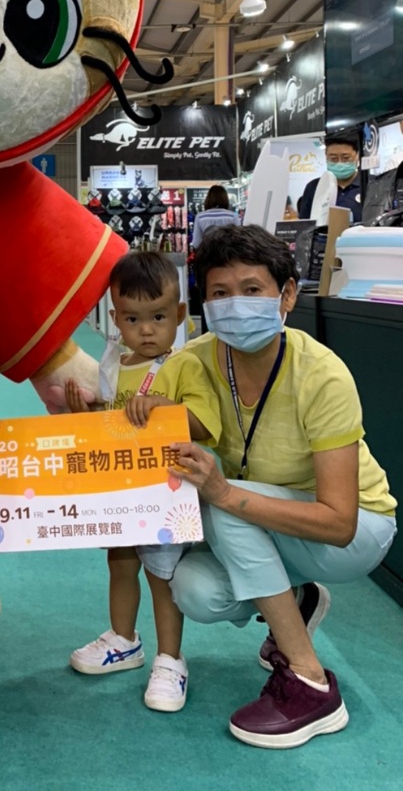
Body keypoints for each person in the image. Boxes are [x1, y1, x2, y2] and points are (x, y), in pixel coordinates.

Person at [165, 225, 396, 749]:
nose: (235, 305)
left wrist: (225, 495)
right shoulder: (191, 363)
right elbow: (130, 425)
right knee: (195, 590)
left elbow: (340, 523)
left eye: (252, 289)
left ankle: (311, 683)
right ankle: (296, 599)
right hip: (268, 524)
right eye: (220, 292)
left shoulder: (321, 375)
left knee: (226, 505)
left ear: (287, 295)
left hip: (356, 530)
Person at [65, 251, 220, 713]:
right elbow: (113, 421)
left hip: (165, 494)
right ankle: (124, 639)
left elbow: (205, 425)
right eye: (133, 319)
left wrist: (164, 409)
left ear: (179, 314)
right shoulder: (114, 362)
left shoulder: (185, 364)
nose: (146, 330)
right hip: (122, 491)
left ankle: (170, 659)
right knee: (119, 563)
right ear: (115, 319)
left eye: (158, 317)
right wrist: (87, 414)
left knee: (161, 576)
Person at [297, 131, 363, 222]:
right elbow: (304, 225)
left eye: (346, 158)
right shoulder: (314, 187)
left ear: (357, 156)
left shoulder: (369, 185)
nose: (339, 163)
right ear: (326, 157)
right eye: (333, 159)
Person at [191, 184, 240, 249]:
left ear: (208, 199)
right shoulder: (233, 216)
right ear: (225, 199)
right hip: (227, 253)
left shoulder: (200, 217)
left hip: (207, 253)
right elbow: (238, 240)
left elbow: (196, 243)